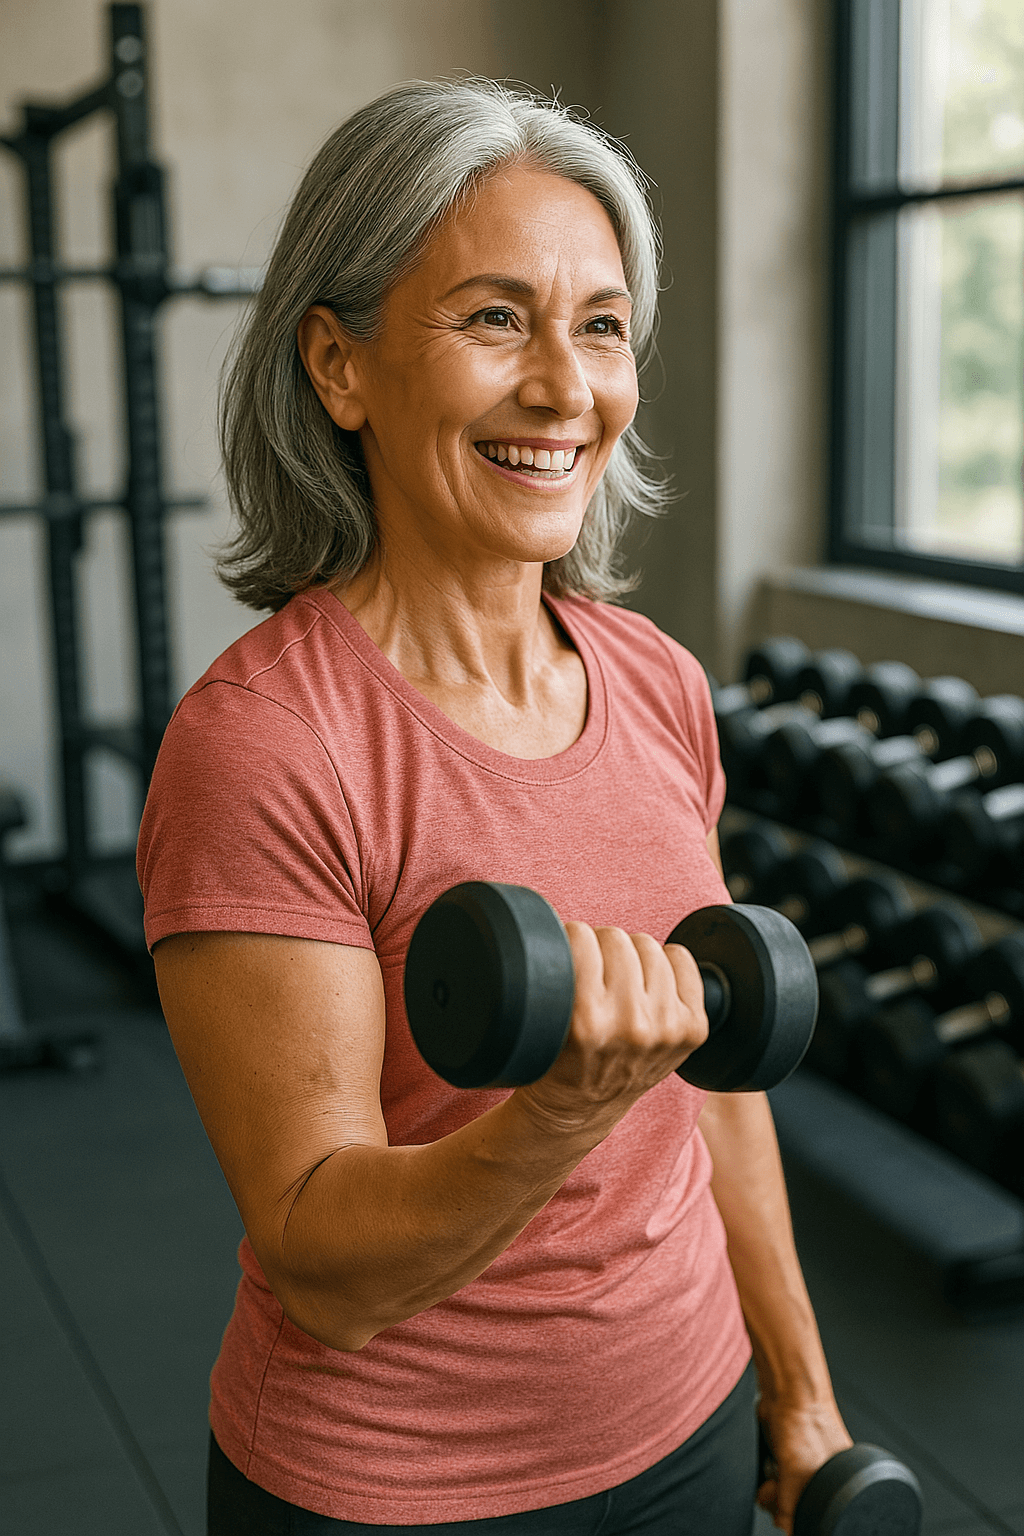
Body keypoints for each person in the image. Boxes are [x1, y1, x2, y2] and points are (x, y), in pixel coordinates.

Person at [138, 79, 851, 1536]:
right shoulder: (269, 748)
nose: (563, 388)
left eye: (599, 325)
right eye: (494, 318)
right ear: (339, 368)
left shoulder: (654, 679)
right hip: (402, 1488)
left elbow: (716, 1087)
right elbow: (325, 1261)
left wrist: (798, 1384)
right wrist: (566, 1108)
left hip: (690, 1418)